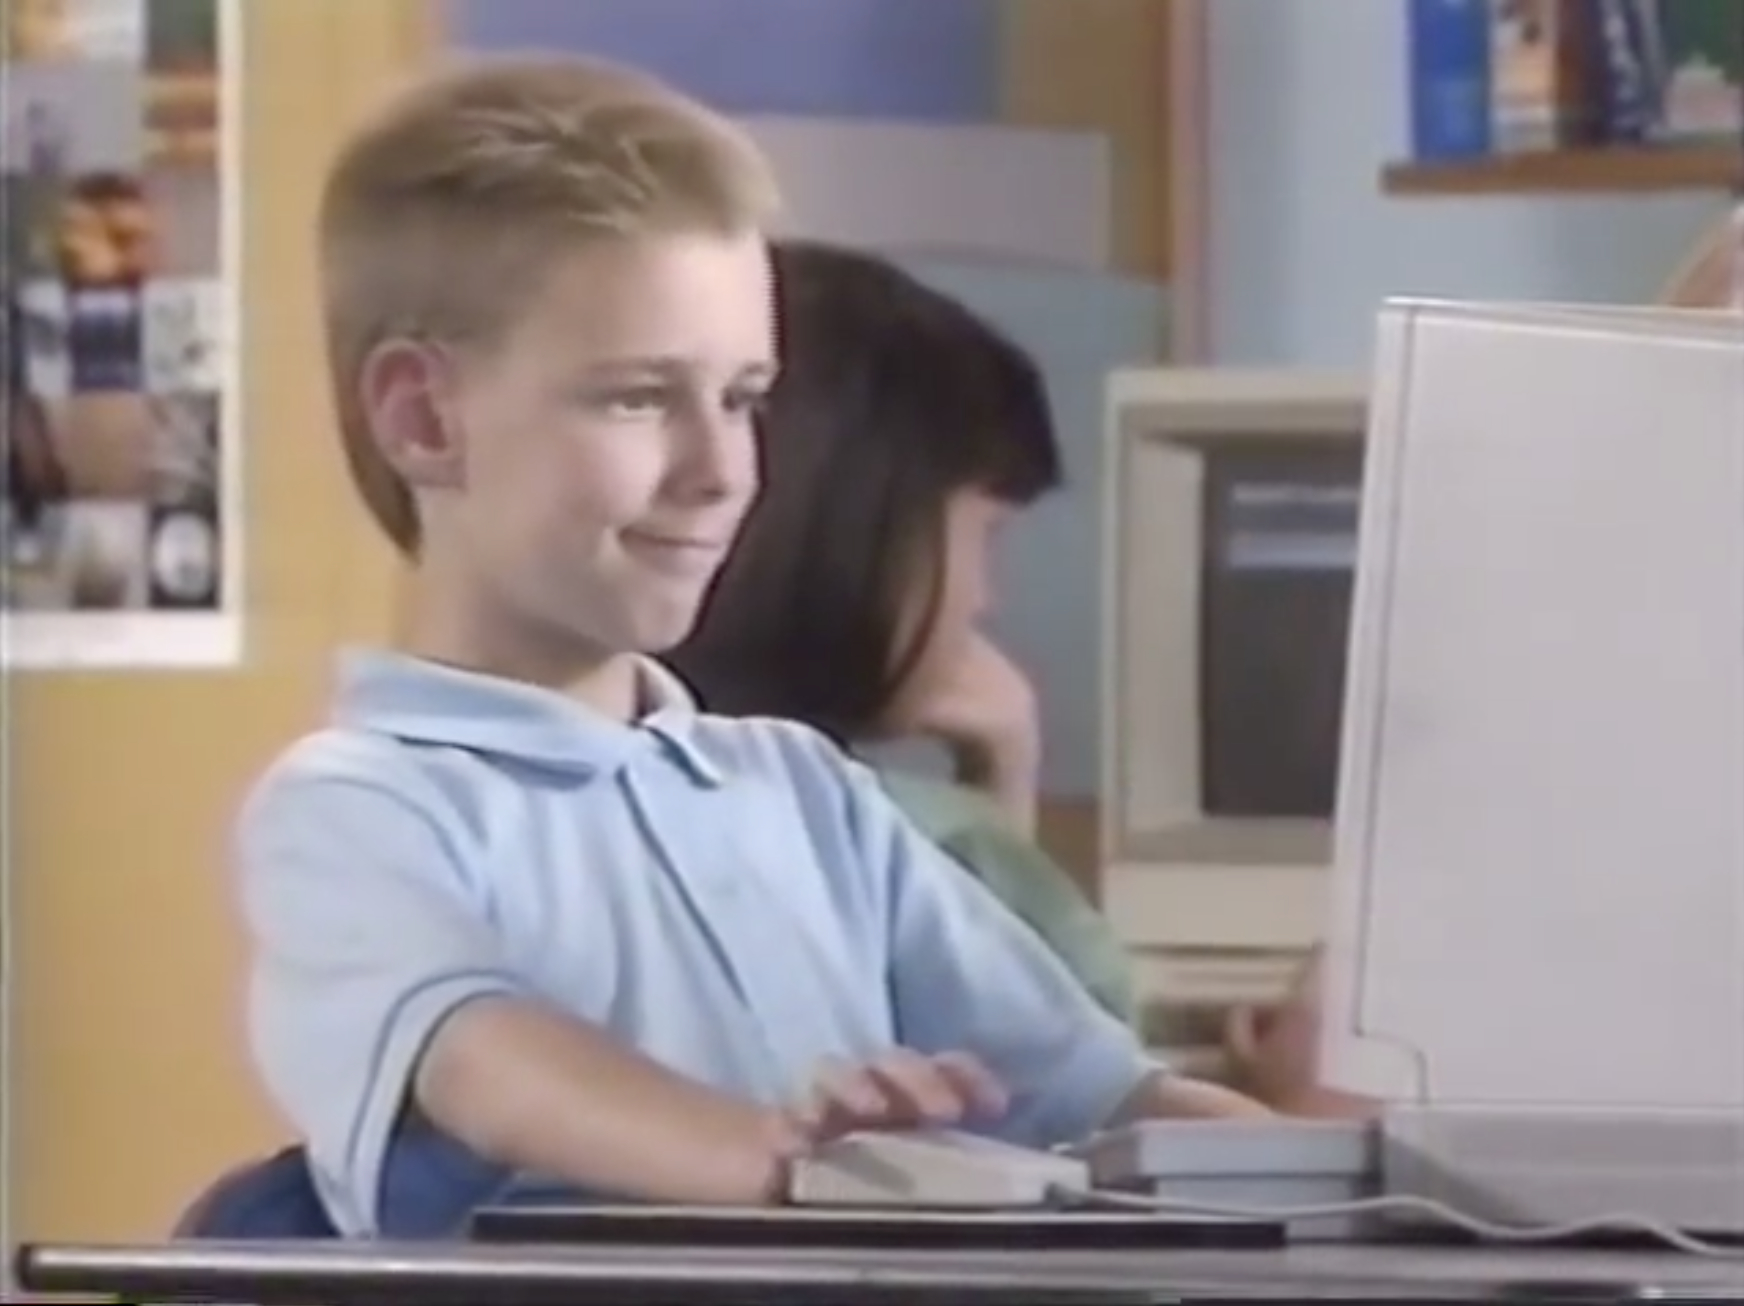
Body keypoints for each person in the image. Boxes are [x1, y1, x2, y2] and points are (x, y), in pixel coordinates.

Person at [235, 55, 1270, 1242]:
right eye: (637, 397)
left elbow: (1103, 1097)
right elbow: (491, 1066)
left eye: (742, 399)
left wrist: (1366, 1183)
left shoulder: (804, 793)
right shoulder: (360, 809)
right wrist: (789, 1161)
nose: (722, 470)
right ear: (424, 416)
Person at [666, 240, 1136, 1026]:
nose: (985, 599)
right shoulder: (885, 838)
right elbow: (1086, 1083)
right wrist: (1301, 1088)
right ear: (856, 528)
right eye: (984, 537)